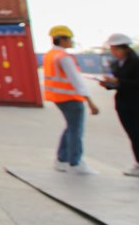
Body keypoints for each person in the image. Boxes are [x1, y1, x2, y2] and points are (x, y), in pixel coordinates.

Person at [99, 33, 139, 180]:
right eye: (112, 49)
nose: (113, 52)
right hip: (123, 103)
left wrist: (118, 80)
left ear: (125, 48)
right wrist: (108, 84)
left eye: (115, 49)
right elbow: (119, 85)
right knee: (133, 135)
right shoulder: (115, 64)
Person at [42, 24, 100, 174]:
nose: (72, 42)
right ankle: (75, 162)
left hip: (57, 97)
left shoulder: (49, 55)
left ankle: (61, 160)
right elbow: (76, 81)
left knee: (70, 127)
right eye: (70, 39)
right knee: (76, 130)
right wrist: (90, 101)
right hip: (71, 98)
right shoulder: (64, 57)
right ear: (62, 40)